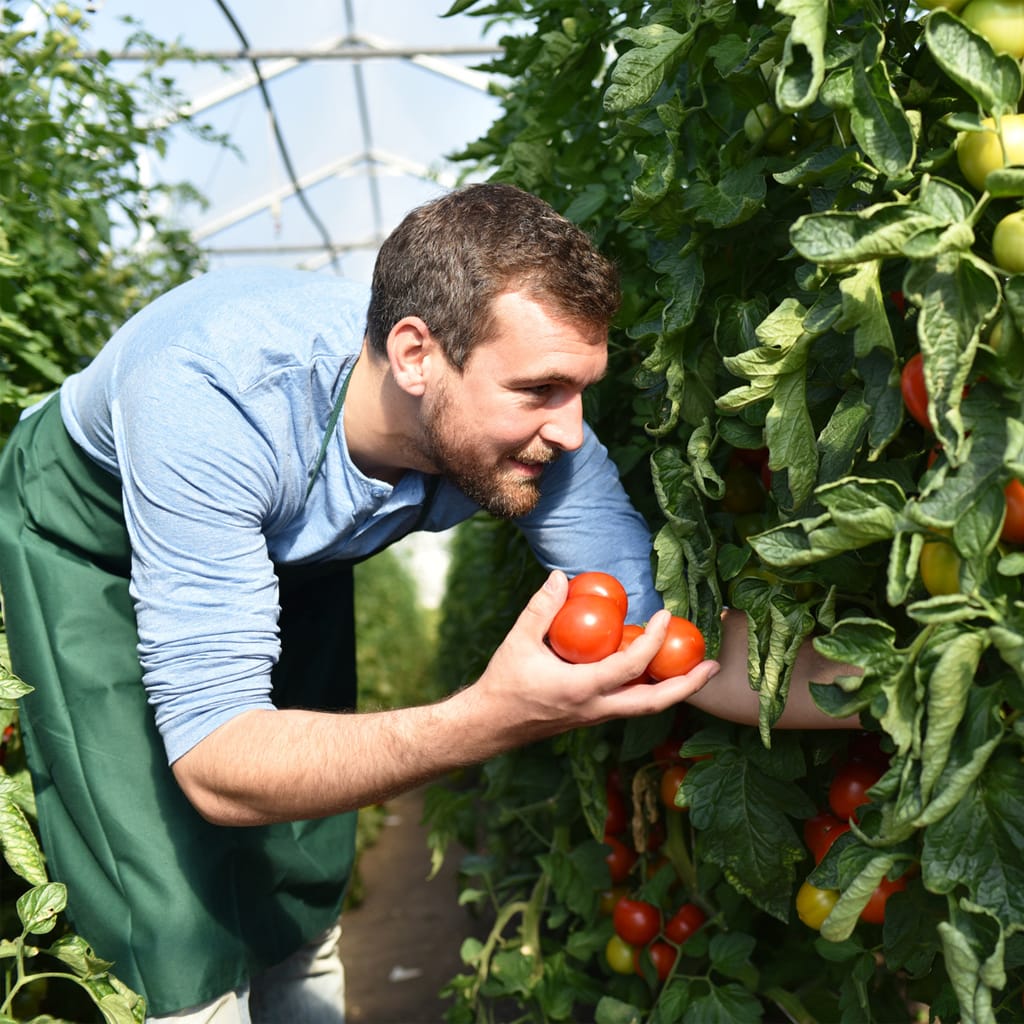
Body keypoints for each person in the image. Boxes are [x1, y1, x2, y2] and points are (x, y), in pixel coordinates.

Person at [0, 183, 852, 1024]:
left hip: (281, 549)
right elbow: (218, 764)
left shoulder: (544, 444)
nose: (570, 427)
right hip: (96, 542)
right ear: (414, 356)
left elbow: (667, 642)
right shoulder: (213, 397)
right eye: (539, 389)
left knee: (299, 882)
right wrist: (488, 718)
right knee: (170, 916)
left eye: (580, 388)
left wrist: (896, 694)